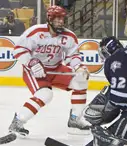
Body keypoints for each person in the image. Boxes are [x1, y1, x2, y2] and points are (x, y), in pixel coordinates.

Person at [8, 5, 91, 137]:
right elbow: (19, 49)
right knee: (45, 94)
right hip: (35, 70)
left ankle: (75, 120)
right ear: (49, 19)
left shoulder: (69, 36)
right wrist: (32, 63)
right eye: (57, 18)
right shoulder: (36, 32)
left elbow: (73, 55)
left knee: (80, 81)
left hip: (55, 68)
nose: (60, 21)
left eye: (62, 18)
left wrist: (79, 67)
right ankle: (18, 121)